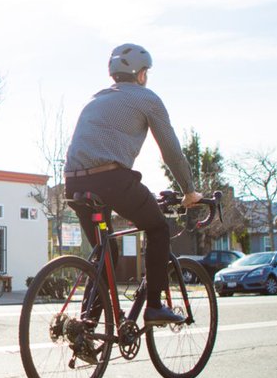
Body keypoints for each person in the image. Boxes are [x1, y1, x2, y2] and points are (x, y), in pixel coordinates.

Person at [64, 43, 201, 326]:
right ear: (141, 74)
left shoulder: (96, 98)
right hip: (110, 180)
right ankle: (154, 307)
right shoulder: (147, 98)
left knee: (106, 255)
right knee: (158, 228)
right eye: (146, 72)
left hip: (72, 182)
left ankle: (86, 328)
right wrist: (189, 190)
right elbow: (171, 151)